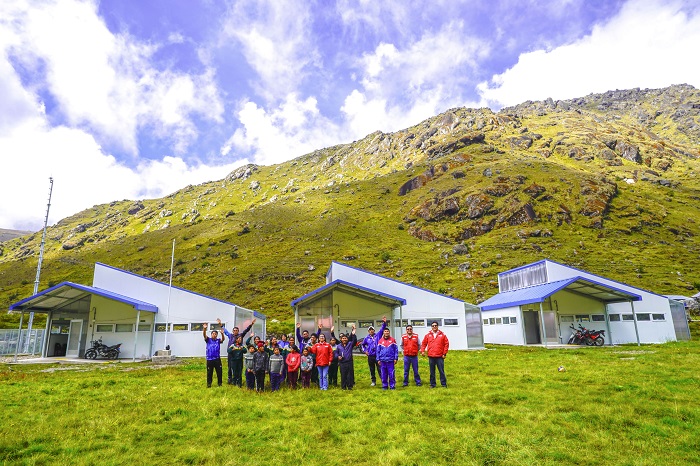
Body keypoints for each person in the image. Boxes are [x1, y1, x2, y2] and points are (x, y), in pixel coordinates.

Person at [217, 317, 255, 384]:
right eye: (234, 330)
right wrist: (220, 324)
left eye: (236, 330)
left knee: (238, 368)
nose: (235, 331)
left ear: (238, 331)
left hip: (238, 355)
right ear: (232, 331)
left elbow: (246, 330)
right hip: (231, 354)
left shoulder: (241, 335)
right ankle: (230, 378)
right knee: (230, 367)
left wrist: (251, 324)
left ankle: (238, 380)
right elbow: (225, 331)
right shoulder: (230, 335)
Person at [420, 321, 449, 388]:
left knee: (441, 371)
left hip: (440, 356)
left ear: (437, 326)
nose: (434, 327)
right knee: (432, 372)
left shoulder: (442, 335)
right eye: (433, 326)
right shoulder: (428, 335)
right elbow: (424, 343)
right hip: (431, 356)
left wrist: (444, 353)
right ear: (431, 327)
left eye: (435, 325)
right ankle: (432, 384)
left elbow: (446, 344)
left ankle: (443, 384)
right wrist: (422, 351)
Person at [361, 316, 387, 386]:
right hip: (370, 356)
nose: (371, 331)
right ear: (368, 331)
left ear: (374, 330)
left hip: (377, 355)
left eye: (372, 329)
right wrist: (365, 351)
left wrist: (384, 322)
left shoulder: (378, 335)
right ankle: (373, 381)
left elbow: (382, 329)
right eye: (370, 330)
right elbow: (362, 345)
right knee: (372, 369)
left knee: (380, 368)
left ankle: (383, 380)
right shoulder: (366, 338)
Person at [333, 325, 357, 390]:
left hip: (349, 362)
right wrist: (338, 357)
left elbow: (354, 341)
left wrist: (354, 333)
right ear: (341, 339)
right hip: (342, 363)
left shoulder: (350, 344)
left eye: (345, 338)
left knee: (350, 375)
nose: (344, 339)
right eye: (343, 338)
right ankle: (343, 387)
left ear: (347, 339)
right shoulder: (338, 346)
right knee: (343, 375)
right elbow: (335, 353)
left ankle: (350, 386)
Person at [202, 322, 224, 388]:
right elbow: (204, 335)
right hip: (209, 359)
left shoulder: (218, 340)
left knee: (219, 372)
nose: (214, 335)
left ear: (217, 335)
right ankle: (209, 384)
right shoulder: (208, 340)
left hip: (217, 359)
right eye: (213, 334)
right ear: (211, 335)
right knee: (209, 373)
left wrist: (222, 334)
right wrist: (204, 329)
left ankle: (220, 384)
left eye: (215, 334)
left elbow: (223, 339)